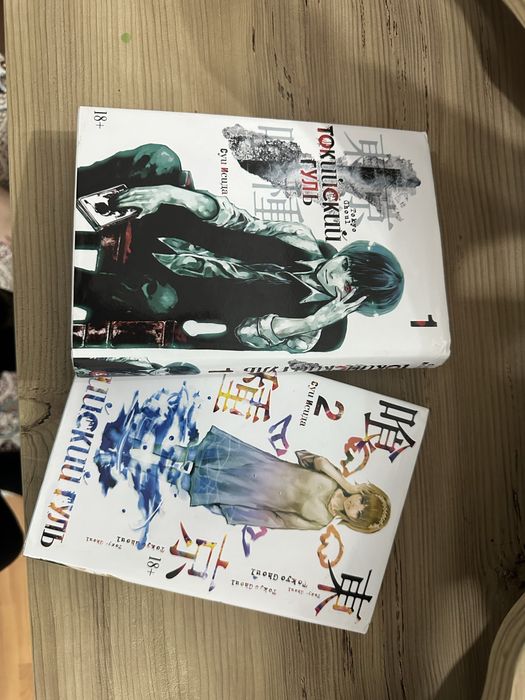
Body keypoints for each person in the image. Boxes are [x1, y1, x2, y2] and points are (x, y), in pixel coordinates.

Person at [75, 144, 404, 353]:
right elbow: (239, 221)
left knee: (155, 299)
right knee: (160, 159)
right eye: (346, 265)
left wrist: (312, 321)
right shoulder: (301, 238)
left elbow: (247, 333)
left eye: (348, 285)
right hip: (181, 229)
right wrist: (170, 194)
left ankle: (71, 286)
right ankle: (73, 183)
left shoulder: (307, 335)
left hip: (178, 292)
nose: (336, 273)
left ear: (353, 304)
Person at [176, 426, 391, 532]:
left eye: (359, 513)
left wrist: (235, 512)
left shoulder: (321, 521)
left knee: (184, 481)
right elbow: (320, 462)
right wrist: (347, 485)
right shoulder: (335, 481)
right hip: (255, 464)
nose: (355, 506)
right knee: (189, 454)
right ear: (361, 493)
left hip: (249, 493)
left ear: (355, 522)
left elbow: (278, 521)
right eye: (362, 500)